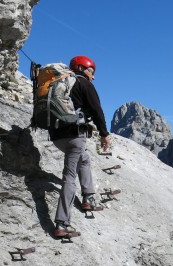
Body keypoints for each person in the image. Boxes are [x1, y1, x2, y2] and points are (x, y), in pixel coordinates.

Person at [50, 55, 111, 238]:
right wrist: (104, 134)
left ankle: (88, 197)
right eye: (91, 71)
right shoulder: (84, 84)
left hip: (56, 136)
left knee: (84, 158)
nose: (93, 76)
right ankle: (61, 223)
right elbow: (96, 110)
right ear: (82, 69)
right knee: (69, 177)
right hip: (75, 135)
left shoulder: (59, 83)